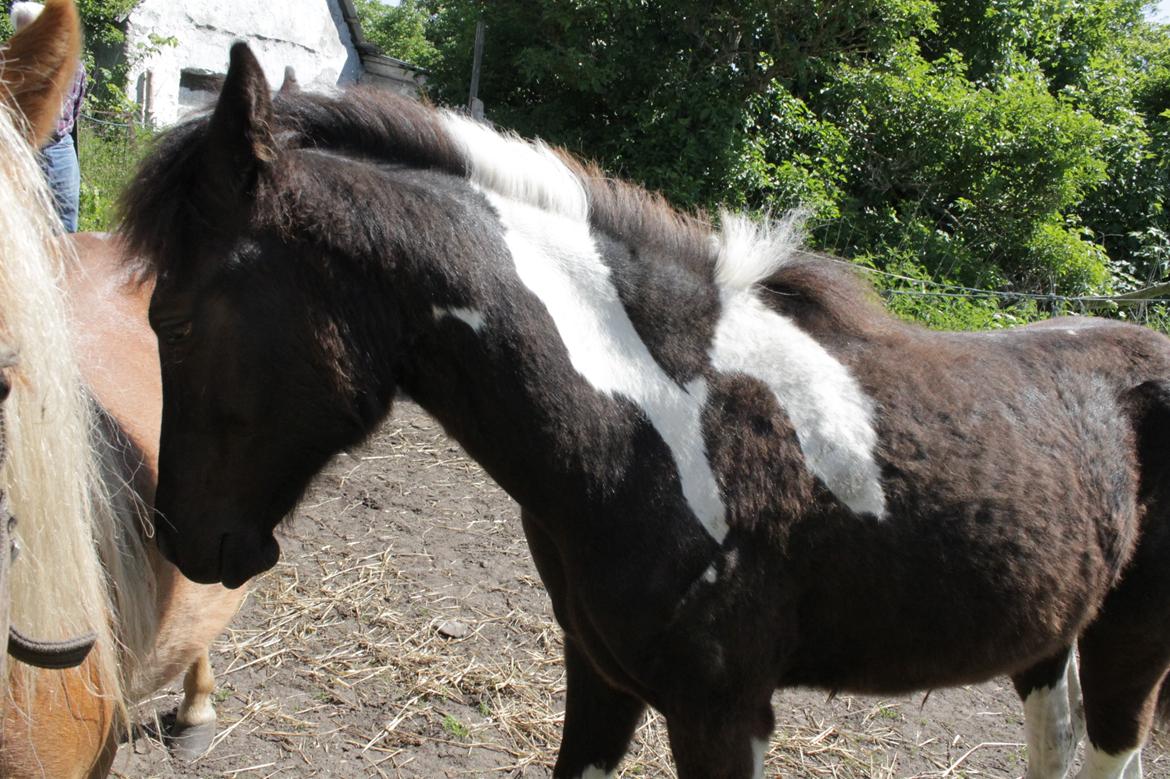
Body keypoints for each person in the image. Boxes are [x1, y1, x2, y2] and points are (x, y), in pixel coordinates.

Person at [10, 1, 86, 232]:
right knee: (18, 215)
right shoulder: (9, 65)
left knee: (64, 214)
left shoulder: (74, 67)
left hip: (59, 145)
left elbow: (75, 108)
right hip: (18, 147)